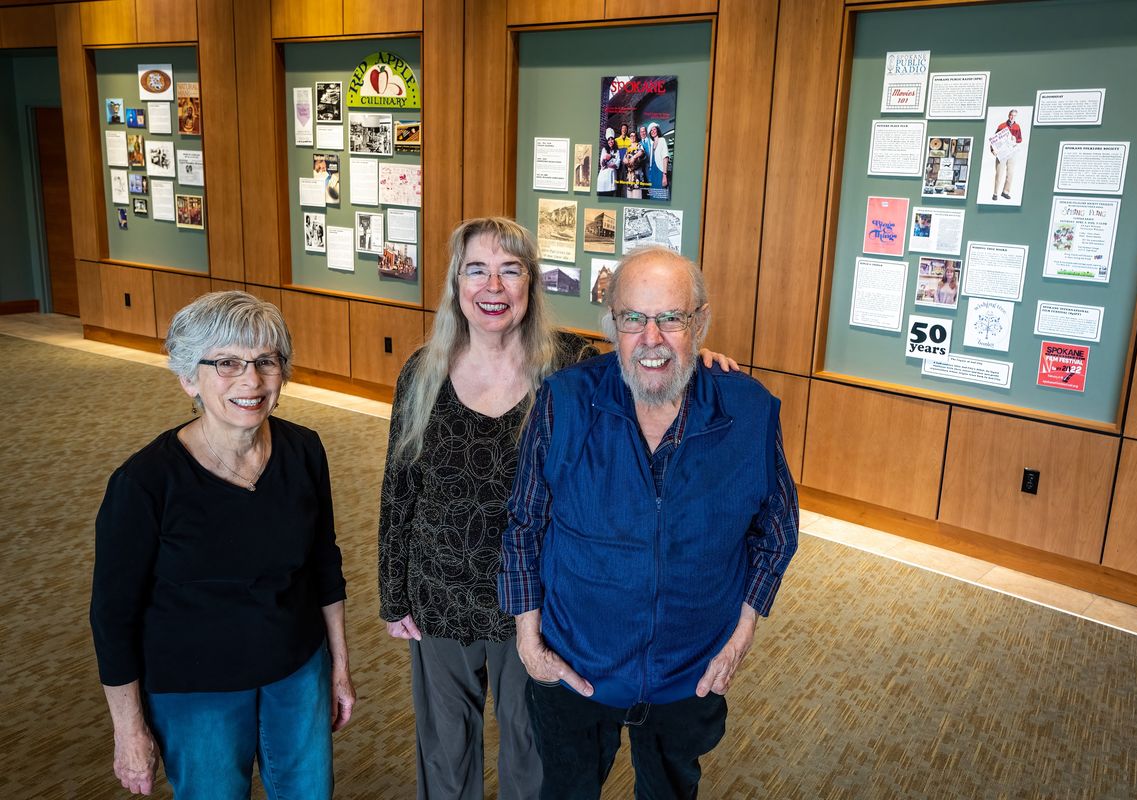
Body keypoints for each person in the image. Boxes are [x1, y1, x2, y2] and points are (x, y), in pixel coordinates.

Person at [379, 219, 737, 800]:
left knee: (533, 754)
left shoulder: (570, 366)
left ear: (531, 285)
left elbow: (648, 365)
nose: (492, 286)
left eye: (510, 270)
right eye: (477, 270)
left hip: (537, 602)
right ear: (456, 283)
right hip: (438, 594)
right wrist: (392, 595)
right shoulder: (423, 370)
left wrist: (691, 355)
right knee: (445, 752)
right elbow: (399, 490)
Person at [498, 246, 799, 799]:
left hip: (690, 674)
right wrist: (528, 640)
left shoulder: (749, 412)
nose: (651, 338)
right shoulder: (564, 402)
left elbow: (777, 531)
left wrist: (742, 634)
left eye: (671, 318)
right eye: (633, 318)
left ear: (701, 322)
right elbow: (523, 524)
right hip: (572, 665)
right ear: (612, 324)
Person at [90, 291, 355, 798]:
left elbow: (325, 564)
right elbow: (112, 617)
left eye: (265, 362)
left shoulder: (304, 449)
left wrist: (338, 668)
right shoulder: (144, 482)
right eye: (227, 363)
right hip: (196, 690)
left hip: (297, 673)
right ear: (190, 377)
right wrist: (128, 729)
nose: (250, 381)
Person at [991, 109, 1023, 201]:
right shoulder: (1001, 126)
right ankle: (995, 193)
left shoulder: (1017, 127)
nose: (1012, 117)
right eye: (1011, 115)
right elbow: (994, 140)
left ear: (1016, 116)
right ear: (1008, 115)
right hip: (1001, 153)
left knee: (1010, 173)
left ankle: (1005, 192)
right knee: (999, 174)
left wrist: (1015, 139)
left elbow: (1020, 139)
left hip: (1012, 153)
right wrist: (993, 150)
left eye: (1014, 115)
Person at [645, 122, 671, 200]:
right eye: (651, 131)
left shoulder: (662, 140)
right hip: (653, 173)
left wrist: (664, 175)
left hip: (660, 172)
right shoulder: (652, 144)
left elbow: (665, 157)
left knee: (661, 196)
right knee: (653, 196)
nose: (653, 131)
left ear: (657, 130)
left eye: (654, 129)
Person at [597, 131, 618, 196]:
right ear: (607, 141)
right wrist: (605, 159)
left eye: (612, 139)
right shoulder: (604, 150)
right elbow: (602, 164)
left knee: (611, 194)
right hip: (604, 176)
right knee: (602, 194)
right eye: (609, 140)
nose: (611, 141)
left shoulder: (617, 151)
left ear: (614, 141)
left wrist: (608, 165)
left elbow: (617, 164)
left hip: (612, 176)